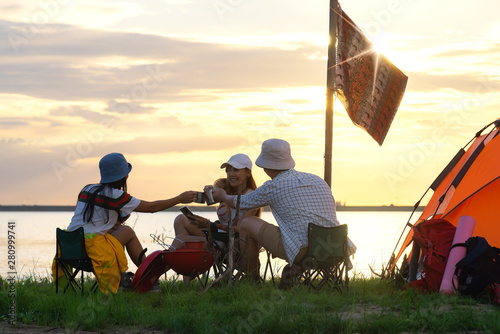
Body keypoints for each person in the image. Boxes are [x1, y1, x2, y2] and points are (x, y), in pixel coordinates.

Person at [212, 139, 356, 286]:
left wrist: (222, 196)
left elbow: (242, 203)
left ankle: (252, 280)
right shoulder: (317, 180)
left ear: (265, 166)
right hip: (335, 248)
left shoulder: (273, 187)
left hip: (303, 250)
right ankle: (296, 271)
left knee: (247, 224)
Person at [53, 152, 197, 293]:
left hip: (69, 248)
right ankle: (149, 275)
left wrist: (115, 223)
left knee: (121, 229)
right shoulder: (115, 195)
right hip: (91, 252)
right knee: (127, 231)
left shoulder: (87, 189)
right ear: (123, 176)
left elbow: (88, 225)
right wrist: (179, 198)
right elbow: (152, 207)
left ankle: (136, 277)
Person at [173, 153, 261, 282]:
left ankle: (187, 270)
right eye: (228, 170)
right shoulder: (224, 188)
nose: (231, 174)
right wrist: (211, 190)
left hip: (234, 241)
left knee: (182, 239)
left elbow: (241, 229)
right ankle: (189, 271)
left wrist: (210, 225)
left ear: (248, 172)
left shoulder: (252, 196)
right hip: (218, 235)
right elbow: (216, 187)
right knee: (181, 219)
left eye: (236, 170)